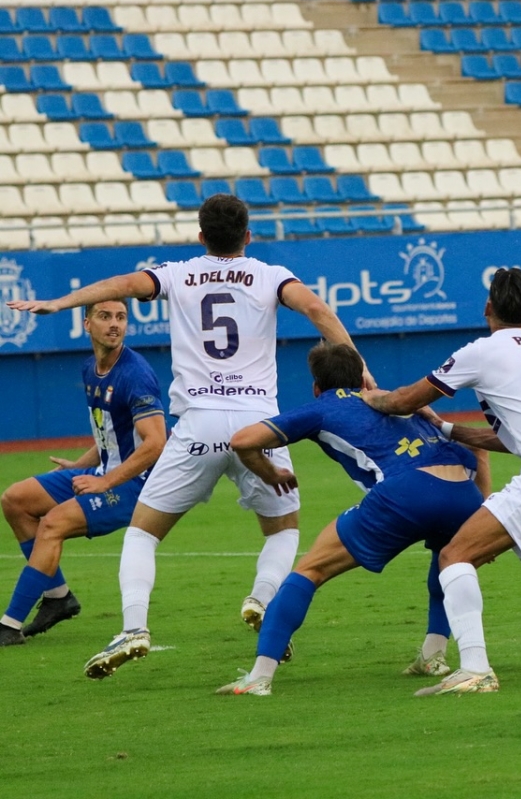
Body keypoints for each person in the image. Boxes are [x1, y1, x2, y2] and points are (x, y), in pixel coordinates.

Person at [7, 194, 370, 679]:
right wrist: (361, 369)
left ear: (200, 236)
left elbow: (122, 282)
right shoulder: (271, 275)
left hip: (197, 424)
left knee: (142, 533)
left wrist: (61, 302)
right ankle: (261, 599)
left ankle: (134, 627)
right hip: (258, 426)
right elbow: (318, 310)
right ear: (248, 236)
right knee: (283, 531)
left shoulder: (177, 272)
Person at [362, 268, 521, 695]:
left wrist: (373, 399)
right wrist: (448, 430)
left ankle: (476, 669)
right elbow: (518, 439)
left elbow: (405, 400)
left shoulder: (481, 350)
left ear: (487, 309)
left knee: (454, 554)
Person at [216, 344, 485, 696]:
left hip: (407, 491)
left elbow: (242, 440)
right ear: (362, 378)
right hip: (463, 490)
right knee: (449, 562)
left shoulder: (321, 407)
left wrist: (270, 473)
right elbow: (476, 451)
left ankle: (259, 676)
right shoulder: (396, 399)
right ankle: (434, 656)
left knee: (310, 570)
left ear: (316, 386)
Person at [0, 301, 165, 646]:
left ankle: (9, 626)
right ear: (87, 323)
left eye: (121, 317)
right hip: (102, 470)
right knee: (15, 500)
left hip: (134, 484)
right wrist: (81, 464)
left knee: (53, 523)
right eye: (105, 317)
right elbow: (111, 432)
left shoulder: (135, 374)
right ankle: (58, 596)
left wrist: (104, 481)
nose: (115, 324)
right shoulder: (91, 368)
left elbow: (155, 444)